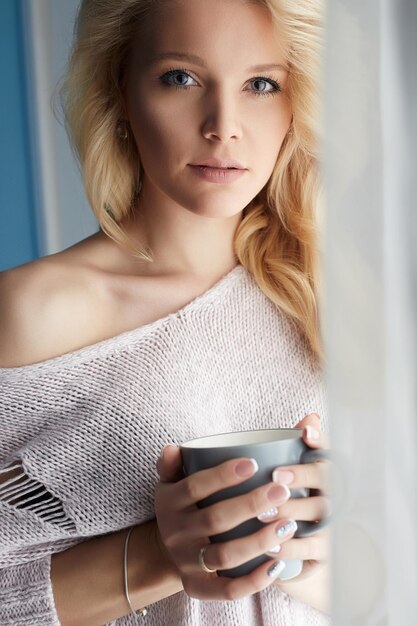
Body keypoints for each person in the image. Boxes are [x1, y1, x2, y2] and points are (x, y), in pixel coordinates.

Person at [0, 0, 331, 624]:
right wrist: (157, 556)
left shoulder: (327, 297)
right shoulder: (30, 313)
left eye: (262, 84)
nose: (223, 125)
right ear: (119, 90)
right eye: (181, 78)